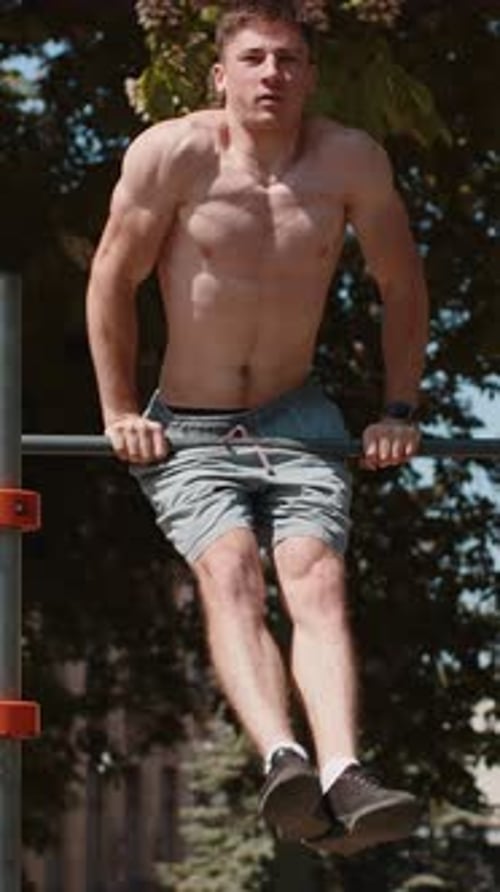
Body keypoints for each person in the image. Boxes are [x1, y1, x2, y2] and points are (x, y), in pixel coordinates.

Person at [86, 0, 428, 857]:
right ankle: (285, 757)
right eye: (253, 59)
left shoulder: (351, 161)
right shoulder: (172, 154)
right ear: (219, 74)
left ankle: (344, 769)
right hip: (190, 430)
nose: (271, 73)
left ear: (311, 75)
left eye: (287, 59)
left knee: (314, 578)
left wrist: (399, 410)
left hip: (297, 414)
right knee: (231, 567)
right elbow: (109, 282)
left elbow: (404, 287)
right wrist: (118, 411)